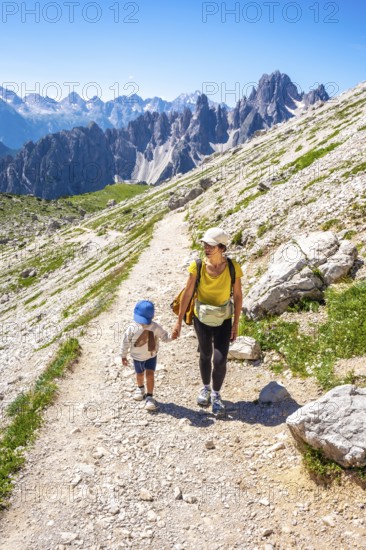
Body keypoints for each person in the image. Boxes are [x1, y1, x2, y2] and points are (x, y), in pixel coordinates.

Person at [172, 227, 243, 417]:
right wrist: (178, 322)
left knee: (219, 360)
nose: (206, 248)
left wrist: (236, 324)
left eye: (211, 245)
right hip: (201, 318)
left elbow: (237, 295)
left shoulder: (232, 268)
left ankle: (216, 394)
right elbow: (188, 293)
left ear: (222, 247)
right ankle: (205, 388)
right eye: (205, 244)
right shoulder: (197, 266)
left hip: (224, 319)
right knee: (205, 354)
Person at [121, 300, 175, 412]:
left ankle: (150, 397)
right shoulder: (131, 328)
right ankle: (140, 389)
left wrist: (172, 336)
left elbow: (164, 337)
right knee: (139, 374)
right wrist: (123, 355)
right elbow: (125, 342)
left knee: (150, 375)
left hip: (151, 356)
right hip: (137, 357)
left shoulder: (155, 327)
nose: (143, 323)